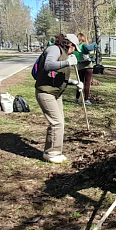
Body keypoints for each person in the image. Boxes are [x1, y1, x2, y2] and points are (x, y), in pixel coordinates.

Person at [34, 33, 84, 163]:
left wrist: (74, 83)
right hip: (45, 92)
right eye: (74, 48)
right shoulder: (54, 49)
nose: (74, 51)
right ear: (70, 44)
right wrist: (66, 62)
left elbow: (58, 76)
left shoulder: (63, 54)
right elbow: (48, 65)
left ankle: (51, 151)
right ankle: (52, 153)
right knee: (57, 122)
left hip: (56, 93)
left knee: (59, 122)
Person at [74, 33, 98, 105]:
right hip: (87, 66)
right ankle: (86, 99)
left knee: (80, 83)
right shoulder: (84, 45)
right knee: (87, 83)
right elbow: (89, 48)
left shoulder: (76, 47)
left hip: (79, 66)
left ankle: (77, 98)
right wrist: (94, 44)